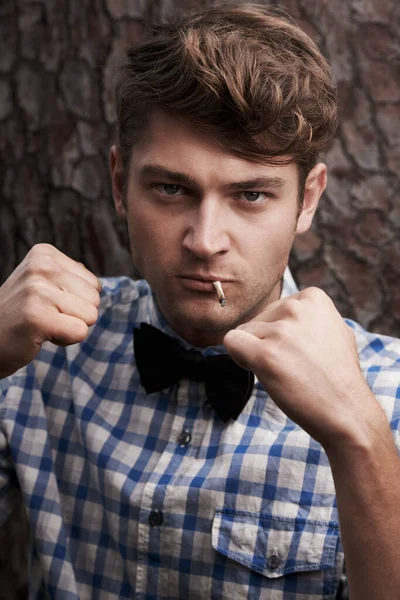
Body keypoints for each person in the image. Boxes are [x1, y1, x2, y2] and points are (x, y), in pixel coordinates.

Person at [0, 4, 399, 599]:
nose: (205, 241)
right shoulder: (35, 346)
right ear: (118, 183)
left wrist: (362, 440)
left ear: (308, 199)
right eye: (170, 188)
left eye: (251, 195)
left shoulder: (390, 397)